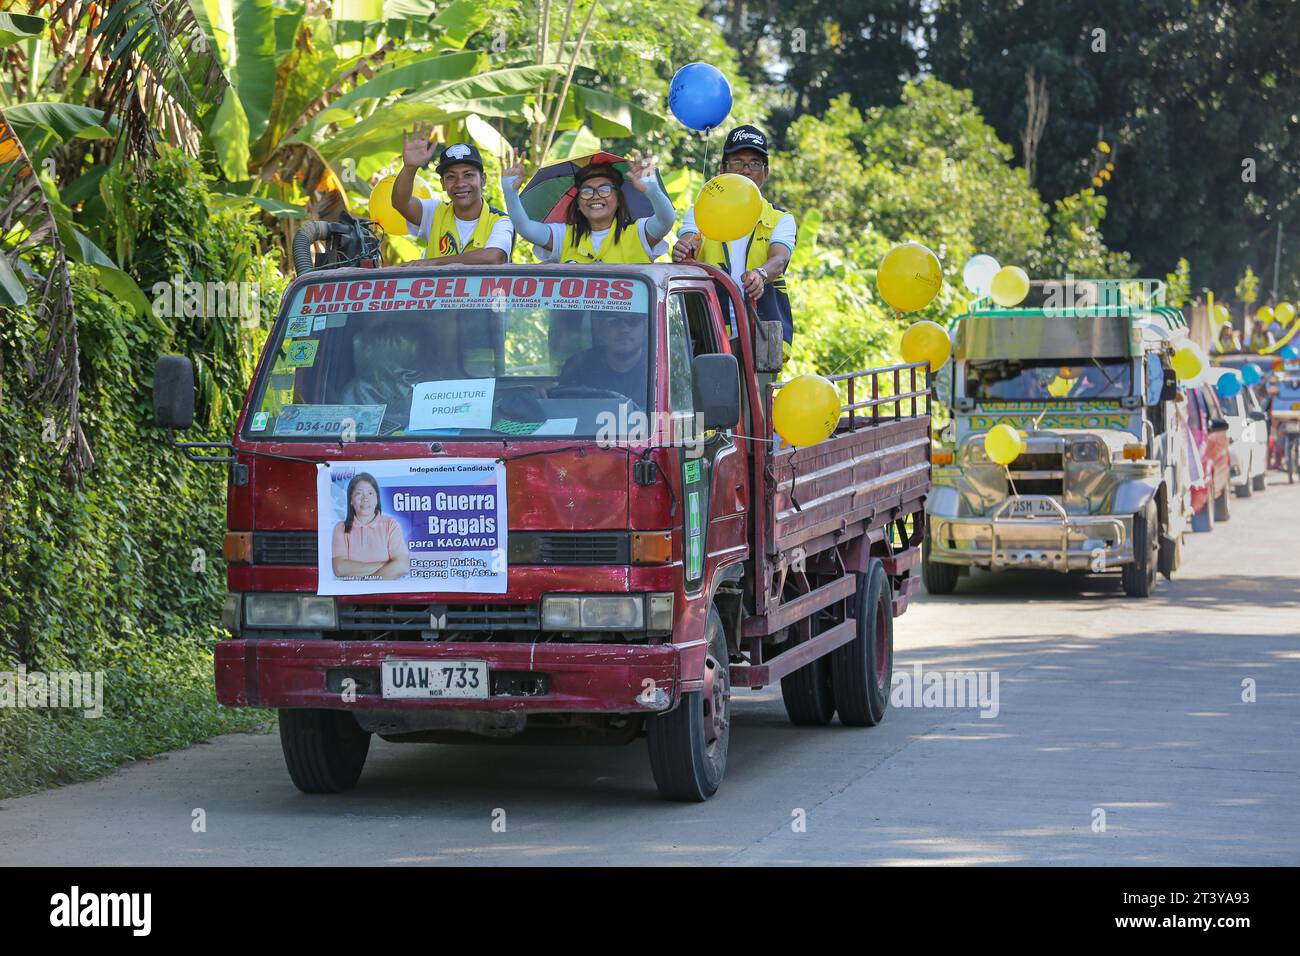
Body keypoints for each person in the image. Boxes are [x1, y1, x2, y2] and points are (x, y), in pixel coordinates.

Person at [672, 125, 796, 344]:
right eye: (738, 162)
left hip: (761, 336)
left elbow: (778, 260)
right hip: (709, 332)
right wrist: (683, 249)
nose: (746, 170)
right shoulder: (700, 211)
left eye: (755, 163)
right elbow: (689, 241)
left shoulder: (781, 218)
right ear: (723, 169)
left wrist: (760, 274)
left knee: (761, 380)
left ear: (765, 173)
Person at [501, 156, 675, 264]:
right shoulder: (563, 236)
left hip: (629, 324)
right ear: (577, 202)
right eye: (586, 191)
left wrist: (653, 190)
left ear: (618, 198)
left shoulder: (637, 233)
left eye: (605, 189)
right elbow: (525, 227)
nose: (595, 196)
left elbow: (665, 221)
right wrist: (510, 192)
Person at [392, 123, 514, 264]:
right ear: (443, 184)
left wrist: (431, 263)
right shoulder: (434, 212)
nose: (460, 183)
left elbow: (493, 257)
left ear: (483, 179)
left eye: (468, 175)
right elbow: (400, 203)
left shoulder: (500, 221)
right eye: (451, 177)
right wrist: (409, 168)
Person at [556, 309, 649, 405]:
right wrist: (545, 398)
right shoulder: (577, 366)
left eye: (633, 321)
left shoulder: (659, 369)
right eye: (613, 322)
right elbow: (562, 409)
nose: (624, 330)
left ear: (645, 328)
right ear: (600, 329)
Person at [331, 473, 410, 580]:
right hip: (352, 594)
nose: (365, 499)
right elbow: (340, 568)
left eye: (370, 493)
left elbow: (402, 566)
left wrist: (367, 583)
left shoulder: (391, 525)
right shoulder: (341, 528)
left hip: (386, 592)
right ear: (350, 500)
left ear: (377, 499)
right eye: (359, 494)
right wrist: (387, 565)